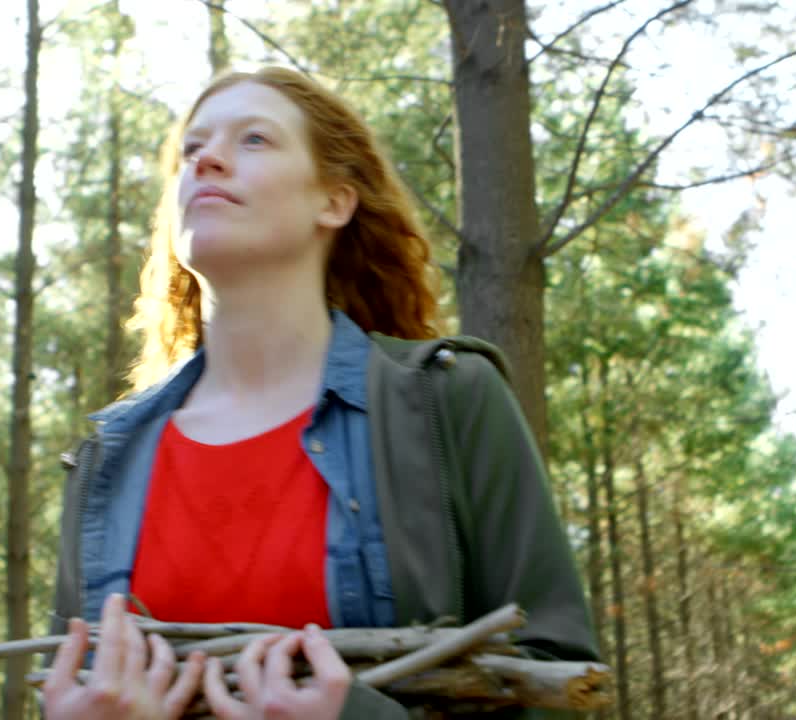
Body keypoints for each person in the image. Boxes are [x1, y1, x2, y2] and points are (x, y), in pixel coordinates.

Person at [43, 66, 598, 719]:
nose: (206, 161)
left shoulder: (446, 402)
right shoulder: (106, 460)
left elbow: (561, 689)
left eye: (253, 139)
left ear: (334, 202)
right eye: (192, 149)